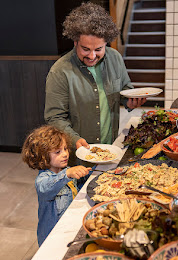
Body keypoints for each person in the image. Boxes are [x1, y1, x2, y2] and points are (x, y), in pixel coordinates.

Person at [44, 2, 146, 162]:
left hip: (110, 149)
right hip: (78, 156)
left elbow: (125, 90)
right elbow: (54, 117)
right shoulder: (60, 71)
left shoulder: (115, 58)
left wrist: (130, 102)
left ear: (106, 43)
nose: (92, 56)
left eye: (98, 49)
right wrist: (74, 139)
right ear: (75, 42)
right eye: (85, 49)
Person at [21, 125, 91, 246]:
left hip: (69, 225)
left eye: (65, 148)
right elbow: (48, 187)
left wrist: (92, 171)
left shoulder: (66, 171)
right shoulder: (42, 180)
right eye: (58, 152)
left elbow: (79, 184)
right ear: (43, 155)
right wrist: (67, 174)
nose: (65, 154)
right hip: (52, 236)